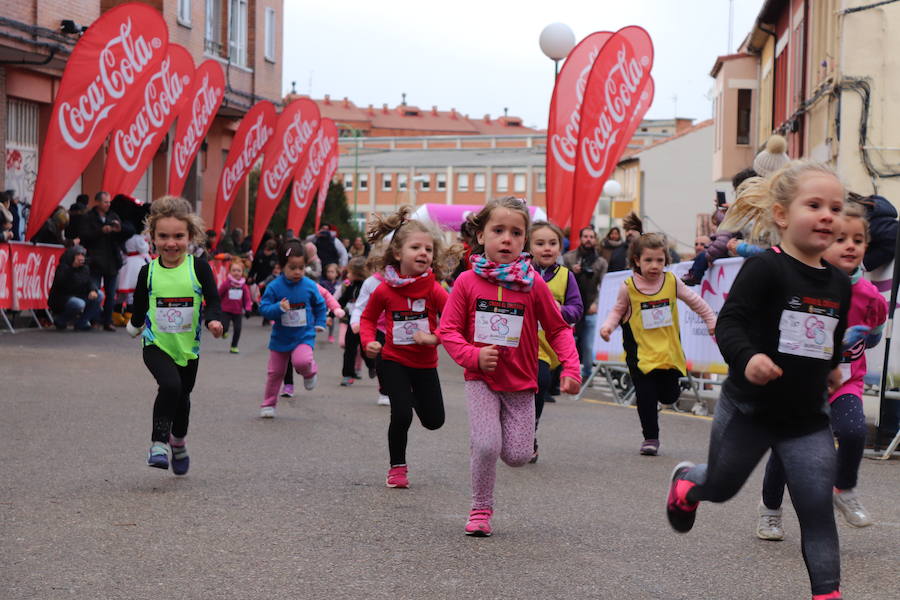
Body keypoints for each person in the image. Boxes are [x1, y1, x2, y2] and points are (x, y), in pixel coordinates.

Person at [665, 161, 851, 600]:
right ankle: (690, 481)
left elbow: (830, 335)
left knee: (817, 511)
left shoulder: (840, 284)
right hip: (750, 410)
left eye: (835, 207)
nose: (827, 215)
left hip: (806, 420)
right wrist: (748, 359)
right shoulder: (766, 269)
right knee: (723, 487)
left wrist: (832, 367)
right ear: (783, 215)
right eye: (815, 205)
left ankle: (828, 593)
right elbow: (730, 325)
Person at [437, 197, 581, 537]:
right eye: (498, 231)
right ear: (482, 237)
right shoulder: (467, 283)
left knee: (517, 455)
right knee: (487, 445)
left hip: (521, 382)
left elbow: (559, 327)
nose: (507, 239)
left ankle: (489, 441)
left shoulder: (534, 285)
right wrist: (473, 356)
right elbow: (448, 330)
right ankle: (480, 509)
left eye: (516, 233)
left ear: (525, 240)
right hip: (481, 378)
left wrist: (572, 370)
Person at [755, 204, 887, 541]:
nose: (850, 245)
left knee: (854, 431)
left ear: (866, 248)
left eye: (858, 240)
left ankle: (843, 490)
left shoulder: (871, 297)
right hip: (800, 384)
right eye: (841, 238)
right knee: (786, 452)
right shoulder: (805, 284)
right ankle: (770, 510)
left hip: (845, 381)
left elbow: (873, 336)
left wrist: (857, 341)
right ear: (821, 243)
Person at [125, 196, 224, 474]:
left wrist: (215, 321)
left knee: (182, 397)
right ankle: (158, 444)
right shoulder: (149, 272)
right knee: (170, 386)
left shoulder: (199, 268)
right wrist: (134, 326)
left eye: (178, 236)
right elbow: (141, 306)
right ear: (152, 237)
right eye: (164, 236)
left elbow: (214, 302)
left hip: (187, 348)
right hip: (156, 344)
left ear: (190, 236)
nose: (171, 243)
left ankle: (178, 441)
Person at [361, 206, 456, 489]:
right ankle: (397, 468)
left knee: (434, 421)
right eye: (416, 247)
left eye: (428, 249)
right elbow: (367, 318)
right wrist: (369, 341)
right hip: (393, 360)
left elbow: (453, 319)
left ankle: (413, 397)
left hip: (425, 363)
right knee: (400, 413)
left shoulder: (433, 288)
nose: (424, 253)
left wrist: (435, 337)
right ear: (398, 253)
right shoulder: (384, 289)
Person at [599, 233, 717, 455]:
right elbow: (617, 310)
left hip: (668, 353)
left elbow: (695, 301)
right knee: (646, 396)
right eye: (648, 260)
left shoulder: (671, 282)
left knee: (668, 396)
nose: (654, 266)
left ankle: (668, 395)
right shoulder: (629, 286)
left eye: (660, 261)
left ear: (666, 261)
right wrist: (608, 327)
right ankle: (650, 438)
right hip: (641, 355)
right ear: (636, 260)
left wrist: (711, 320)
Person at [529, 221, 583, 462]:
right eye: (540, 243)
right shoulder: (520, 274)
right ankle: (519, 431)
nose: (547, 248)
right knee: (526, 388)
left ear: (560, 248)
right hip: (520, 344)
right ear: (529, 247)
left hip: (548, 346)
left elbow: (577, 309)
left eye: (552, 243)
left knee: (540, 385)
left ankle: (530, 432)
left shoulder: (566, 276)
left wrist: (559, 310)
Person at [257, 239, 326, 418]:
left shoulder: (309, 286)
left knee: (302, 361)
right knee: (275, 373)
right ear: (282, 266)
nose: (297, 272)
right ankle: (268, 404)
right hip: (280, 338)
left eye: (301, 268)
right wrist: (278, 308)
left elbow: (320, 305)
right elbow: (263, 309)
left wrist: (320, 322)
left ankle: (310, 372)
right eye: (292, 267)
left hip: (303, 336)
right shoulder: (274, 287)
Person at [563, 226, 608, 379]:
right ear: (580, 238)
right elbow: (561, 280)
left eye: (591, 237)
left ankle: (587, 375)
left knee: (588, 346)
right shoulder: (569, 258)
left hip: (590, 308)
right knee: (569, 344)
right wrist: (572, 272)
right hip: (570, 308)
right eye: (585, 236)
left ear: (595, 240)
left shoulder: (601, 262)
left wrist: (596, 303)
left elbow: (603, 286)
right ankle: (568, 373)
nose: (588, 239)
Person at [351, 249, 391, 406]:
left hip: (400, 328)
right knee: (380, 361)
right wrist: (355, 322)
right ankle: (384, 391)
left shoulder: (406, 280)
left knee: (401, 362)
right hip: (379, 328)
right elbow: (360, 306)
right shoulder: (371, 282)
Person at [80, 191, 123, 330]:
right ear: (98, 202)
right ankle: (94, 319)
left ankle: (108, 321)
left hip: (112, 260)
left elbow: (125, 233)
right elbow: (84, 236)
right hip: (95, 260)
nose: (108, 204)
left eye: (109, 202)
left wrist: (118, 229)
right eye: (105, 202)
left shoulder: (113, 215)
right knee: (95, 291)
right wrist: (101, 231)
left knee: (111, 294)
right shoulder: (88, 217)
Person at [48, 245, 101, 331]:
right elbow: (62, 283)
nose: (81, 257)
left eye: (82, 255)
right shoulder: (63, 267)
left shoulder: (85, 268)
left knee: (99, 295)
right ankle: (61, 321)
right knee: (78, 303)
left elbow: (89, 281)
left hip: (77, 294)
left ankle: (82, 323)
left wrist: (93, 290)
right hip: (63, 297)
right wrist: (73, 268)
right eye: (78, 254)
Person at [337, 257, 369, 386]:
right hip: (352, 322)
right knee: (349, 349)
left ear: (357, 273)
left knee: (365, 349)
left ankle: (372, 366)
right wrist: (332, 312)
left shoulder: (367, 286)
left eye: (349, 272)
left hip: (366, 322)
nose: (347, 275)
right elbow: (342, 300)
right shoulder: (349, 286)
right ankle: (347, 375)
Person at [113, 233, 152, 327]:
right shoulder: (137, 238)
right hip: (136, 264)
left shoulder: (123, 237)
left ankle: (116, 316)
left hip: (126, 264)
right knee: (133, 292)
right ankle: (129, 317)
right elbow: (144, 249)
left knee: (122, 294)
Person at [218, 258, 252, 354]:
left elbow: (247, 299)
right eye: (234, 270)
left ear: (242, 272)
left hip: (237, 312)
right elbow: (219, 294)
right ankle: (224, 332)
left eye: (239, 271)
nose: (236, 273)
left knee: (238, 329)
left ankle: (234, 346)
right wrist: (215, 305)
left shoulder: (243, 286)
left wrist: (248, 309)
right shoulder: (226, 284)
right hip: (225, 310)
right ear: (230, 271)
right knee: (224, 326)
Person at [320, 262, 341, 343]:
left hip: (333, 306)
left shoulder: (339, 284)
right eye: (328, 272)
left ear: (337, 273)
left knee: (331, 319)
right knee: (323, 318)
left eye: (332, 272)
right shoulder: (323, 283)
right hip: (324, 305)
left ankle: (331, 335)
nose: (329, 274)